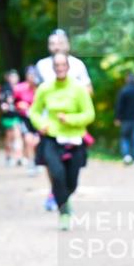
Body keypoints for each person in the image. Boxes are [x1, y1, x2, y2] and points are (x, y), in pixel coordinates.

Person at [28, 53, 95, 230]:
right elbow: (34, 111)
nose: (59, 68)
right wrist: (41, 124)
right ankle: (63, 211)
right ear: (52, 68)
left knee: (71, 182)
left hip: (75, 139)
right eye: (56, 65)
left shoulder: (79, 89)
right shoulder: (45, 88)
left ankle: (65, 199)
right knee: (57, 175)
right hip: (52, 138)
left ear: (68, 67)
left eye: (62, 65)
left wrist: (70, 119)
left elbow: (89, 114)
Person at [13, 66, 41, 175]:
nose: (32, 77)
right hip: (24, 119)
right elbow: (13, 103)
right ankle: (31, 163)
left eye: (34, 75)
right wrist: (19, 105)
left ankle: (37, 161)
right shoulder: (19, 88)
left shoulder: (41, 89)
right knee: (28, 141)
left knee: (37, 142)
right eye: (30, 74)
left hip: (38, 119)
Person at [0, 69, 24, 166]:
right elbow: (1, 101)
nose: (14, 79)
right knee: (9, 137)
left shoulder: (21, 88)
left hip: (18, 115)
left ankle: (19, 156)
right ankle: (8, 156)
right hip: (7, 116)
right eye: (12, 77)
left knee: (17, 135)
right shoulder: (5, 89)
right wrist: (3, 106)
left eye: (15, 76)